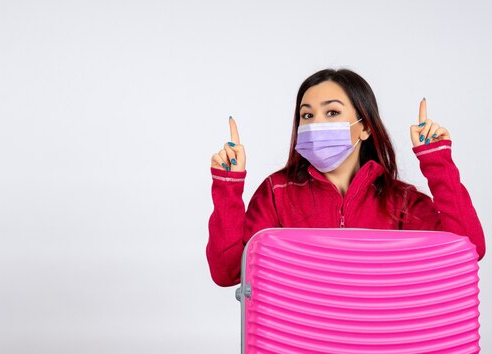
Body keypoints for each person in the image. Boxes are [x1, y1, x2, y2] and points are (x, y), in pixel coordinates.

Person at [206, 68, 486, 287]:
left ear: (364, 127)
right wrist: (228, 187)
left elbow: (467, 251)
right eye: (307, 115)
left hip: (379, 340)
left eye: (332, 112)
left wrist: (437, 161)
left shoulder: (401, 200)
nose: (316, 124)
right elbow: (227, 272)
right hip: (297, 340)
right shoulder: (277, 192)